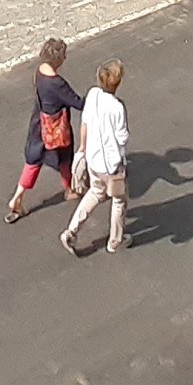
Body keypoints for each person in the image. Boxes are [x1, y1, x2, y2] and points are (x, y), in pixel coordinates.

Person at [5, 37, 85, 223]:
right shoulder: (57, 83)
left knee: (33, 161)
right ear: (58, 59)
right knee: (64, 157)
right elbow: (78, 103)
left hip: (38, 123)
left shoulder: (39, 72)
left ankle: (18, 196)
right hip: (55, 127)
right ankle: (69, 189)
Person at [62, 59, 130, 257]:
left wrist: (82, 150)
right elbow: (122, 138)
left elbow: (85, 123)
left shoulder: (92, 94)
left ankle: (71, 231)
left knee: (95, 193)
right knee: (119, 201)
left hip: (94, 160)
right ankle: (115, 241)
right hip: (112, 166)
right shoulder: (117, 107)